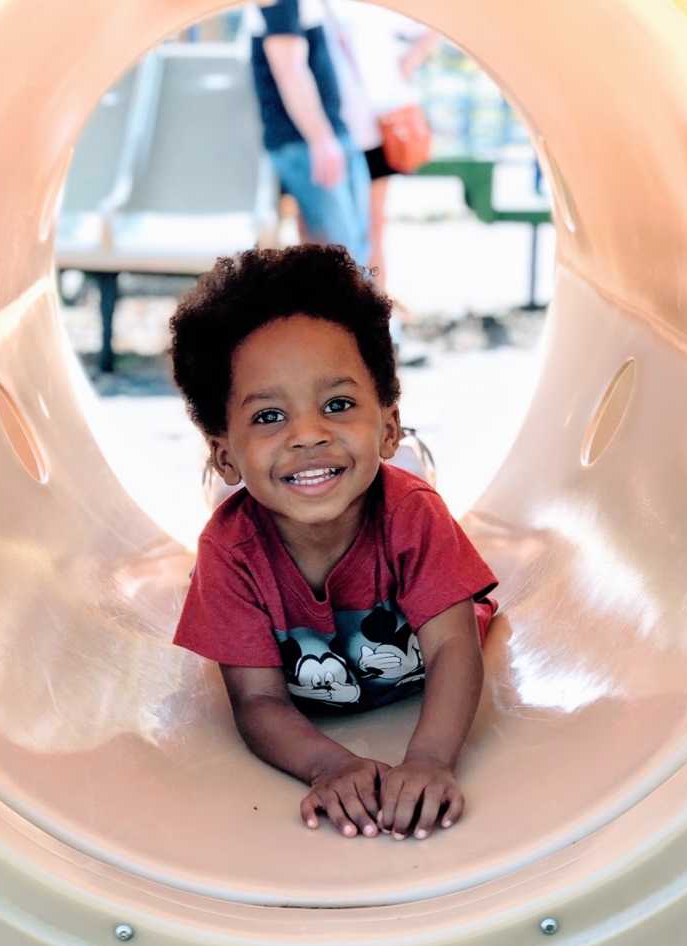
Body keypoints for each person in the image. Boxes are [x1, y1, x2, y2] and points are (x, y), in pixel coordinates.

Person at [171, 245, 497, 841]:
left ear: (388, 426)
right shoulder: (229, 552)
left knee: (427, 541)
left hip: (421, 647)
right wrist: (332, 766)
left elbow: (453, 650)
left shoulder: (412, 515)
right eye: (269, 417)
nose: (309, 434)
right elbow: (257, 701)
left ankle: (398, 464)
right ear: (224, 454)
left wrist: (429, 760)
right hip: (325, 687)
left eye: (338, 406)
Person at [247, 1, 370, 265]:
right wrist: (321, 139)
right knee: (342, 259)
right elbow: (289, 67)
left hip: (329, 134)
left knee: (352, 251)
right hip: (304, 141)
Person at [328, 2, 442, 288]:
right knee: (336, 229)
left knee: (371, 226)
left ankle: (373, 306)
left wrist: (402, 67)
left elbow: (434, 26)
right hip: (335, 129)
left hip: (372, 126)